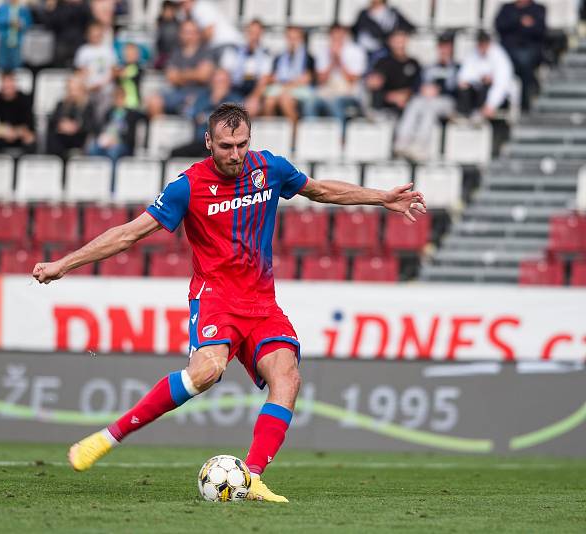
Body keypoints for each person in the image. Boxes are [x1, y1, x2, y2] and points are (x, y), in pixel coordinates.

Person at [32, 102, 426, 501]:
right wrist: (64, 264)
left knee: (287, 377)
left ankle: (251, 478)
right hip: (216, 299)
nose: (235, 154)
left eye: (241, 144)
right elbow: (129, 234)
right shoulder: (187, 186)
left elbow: (321, 190)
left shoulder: (269, 169)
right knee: (205, 373)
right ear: (208, 142)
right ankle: (108, 437)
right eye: (225, 146)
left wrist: (381, 198)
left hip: (262, 303)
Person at [394, 32, 460, 161]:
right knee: (415, 102)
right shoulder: (429, 67)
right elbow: (417, 85)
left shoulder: (457, 67)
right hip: (426, 98)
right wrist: (423, 89)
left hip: (447, 101)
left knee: (430, 107)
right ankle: (402, 141)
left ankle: (420, 145)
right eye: (442, 46)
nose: (444, 49)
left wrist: (439, 90)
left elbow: (458, 89)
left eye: (447, 46)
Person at [147, 19, 215, 117]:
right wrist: (194, 73)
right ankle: (161, 131)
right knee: (154, 101)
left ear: (198, 34)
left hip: (200, 93)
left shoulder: (205, 51)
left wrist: (180, 75)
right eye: (185, 32)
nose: (189, 35)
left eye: (192, 32)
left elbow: (203, 76)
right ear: (180, 34)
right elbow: (171, 77)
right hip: (178, 92)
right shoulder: (176, 53)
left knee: (193, 104)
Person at [170, 68, 242, 157]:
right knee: (175, 154)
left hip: (223, 144)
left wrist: (214, 108)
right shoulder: (202, 98)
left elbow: (231, 121)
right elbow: (194, 115)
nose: (219, 85)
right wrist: (213, 102)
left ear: (229, 83)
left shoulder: (235, 99)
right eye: (217, 81)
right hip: (200, 141)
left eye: (222, 82)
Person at [310, 24, 366, 129]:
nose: (337, 39)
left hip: (349, 91)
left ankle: (340, 136)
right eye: (334, 36)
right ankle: (313, 133)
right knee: (310, 102)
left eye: (339, 36)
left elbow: (353, 80)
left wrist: (340, 61)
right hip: (327, 89)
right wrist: (332, 61)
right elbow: (321, 81)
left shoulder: (356, 51)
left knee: (335, 102)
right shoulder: (323, 51)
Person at [495, 0, 546, 111]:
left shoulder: (538, 9)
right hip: (507, 51)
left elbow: (539, 31)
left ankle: (524, 105)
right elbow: (500, 26)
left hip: (529, 51)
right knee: (501, 62)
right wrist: (520, 21)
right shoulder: (506, 8)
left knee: (524, 62)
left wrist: (515, 24)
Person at [219, 19, 272, 118]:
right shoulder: (234, 50)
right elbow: (224, 72)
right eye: (252, 32)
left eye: (257, 33)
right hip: (234, 88)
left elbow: (264, 80)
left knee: (252, 107)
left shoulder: (265, 54)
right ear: (246, 33)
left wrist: (254, 98)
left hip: (252, 89)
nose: (254, 36)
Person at [262, 26, 315, 125]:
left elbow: (306, 79)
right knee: (269, 102)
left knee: (285, 100)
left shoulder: (308, 58)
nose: (292, 42)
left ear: (301, 39)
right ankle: (272, 132)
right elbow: (273, 77)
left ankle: (294, 134)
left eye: (295, 38)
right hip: (282, 88)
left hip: (299, 89)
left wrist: (287, 85)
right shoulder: (279, 57)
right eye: (290, 38)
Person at [86, 86, 144, 174]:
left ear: (124, 98)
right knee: (93, 149)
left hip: (123, 144)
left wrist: (116, 140)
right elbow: (100, 128)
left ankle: (112, 183)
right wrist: (103, 138)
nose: (118, 100)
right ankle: (96, 177)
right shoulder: (109, 112)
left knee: (113, 152)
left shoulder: (131, 114)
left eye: (120, 97)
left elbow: (131, 136)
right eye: (116, 97)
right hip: (106, 142)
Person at [457, 30, 515, 119]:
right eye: (480, 43)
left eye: (484, 43)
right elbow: (464, 76)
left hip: (499, 97)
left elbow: (502, 84)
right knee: (464, 89)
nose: (482, 46)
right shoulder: (473, 53)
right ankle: (465, 116)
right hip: (477, 94)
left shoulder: (499, 56)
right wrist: (479, 79)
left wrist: (491, 104)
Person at [0, 71, 36, 154]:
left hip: (19, 135)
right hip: (0, 135)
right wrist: (3, 132)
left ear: (15, 84)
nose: (7, 85)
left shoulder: (25, 100)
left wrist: (15, 132)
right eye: (5, 82)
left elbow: (30, 125)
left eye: (10, 82)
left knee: (30, 138)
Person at [366, 29, 421, 113]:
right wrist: (391, 97)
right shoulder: (383, 62)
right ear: (390, 42)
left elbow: (417, 86)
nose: (400, 44)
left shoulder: (414, 63)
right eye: (397, 40)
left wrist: (405, 96)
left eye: (402, 40)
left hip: (407, 104)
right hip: (385, 105)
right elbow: (375, 83)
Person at [46, 73, 96, 158]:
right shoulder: (61, 104)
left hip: (79, 137)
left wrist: (76, 127)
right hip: (61, 136)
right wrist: (61, 125)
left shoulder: (88, 105)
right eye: (70, 89)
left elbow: (90, 125)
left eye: (75, 89)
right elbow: (53, 120)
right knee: (53, 137)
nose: (72, 92)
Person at [74, 22, 117, 117]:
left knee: (103, 115)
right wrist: (87, 85)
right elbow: (80, 71)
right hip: (88, 90)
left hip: (105, 91)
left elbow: (113, 71)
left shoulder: (108, 50)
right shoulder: (83, 50)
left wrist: (102, 84)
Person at [37, 0, 92, 68]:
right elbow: (49, 25)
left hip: (79, 44)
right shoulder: (58, 6)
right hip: (61, 45)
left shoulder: (83, 5)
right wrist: (50, 8)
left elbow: (89, 22)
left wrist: (80, 3)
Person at [0, 0, 34, 71]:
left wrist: (21, 23)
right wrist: (8, 21)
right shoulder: (3, 8)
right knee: (3, 65)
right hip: (4, 40)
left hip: (18, 41)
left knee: (16, 65)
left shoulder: (23, 9)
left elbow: (29, 22)